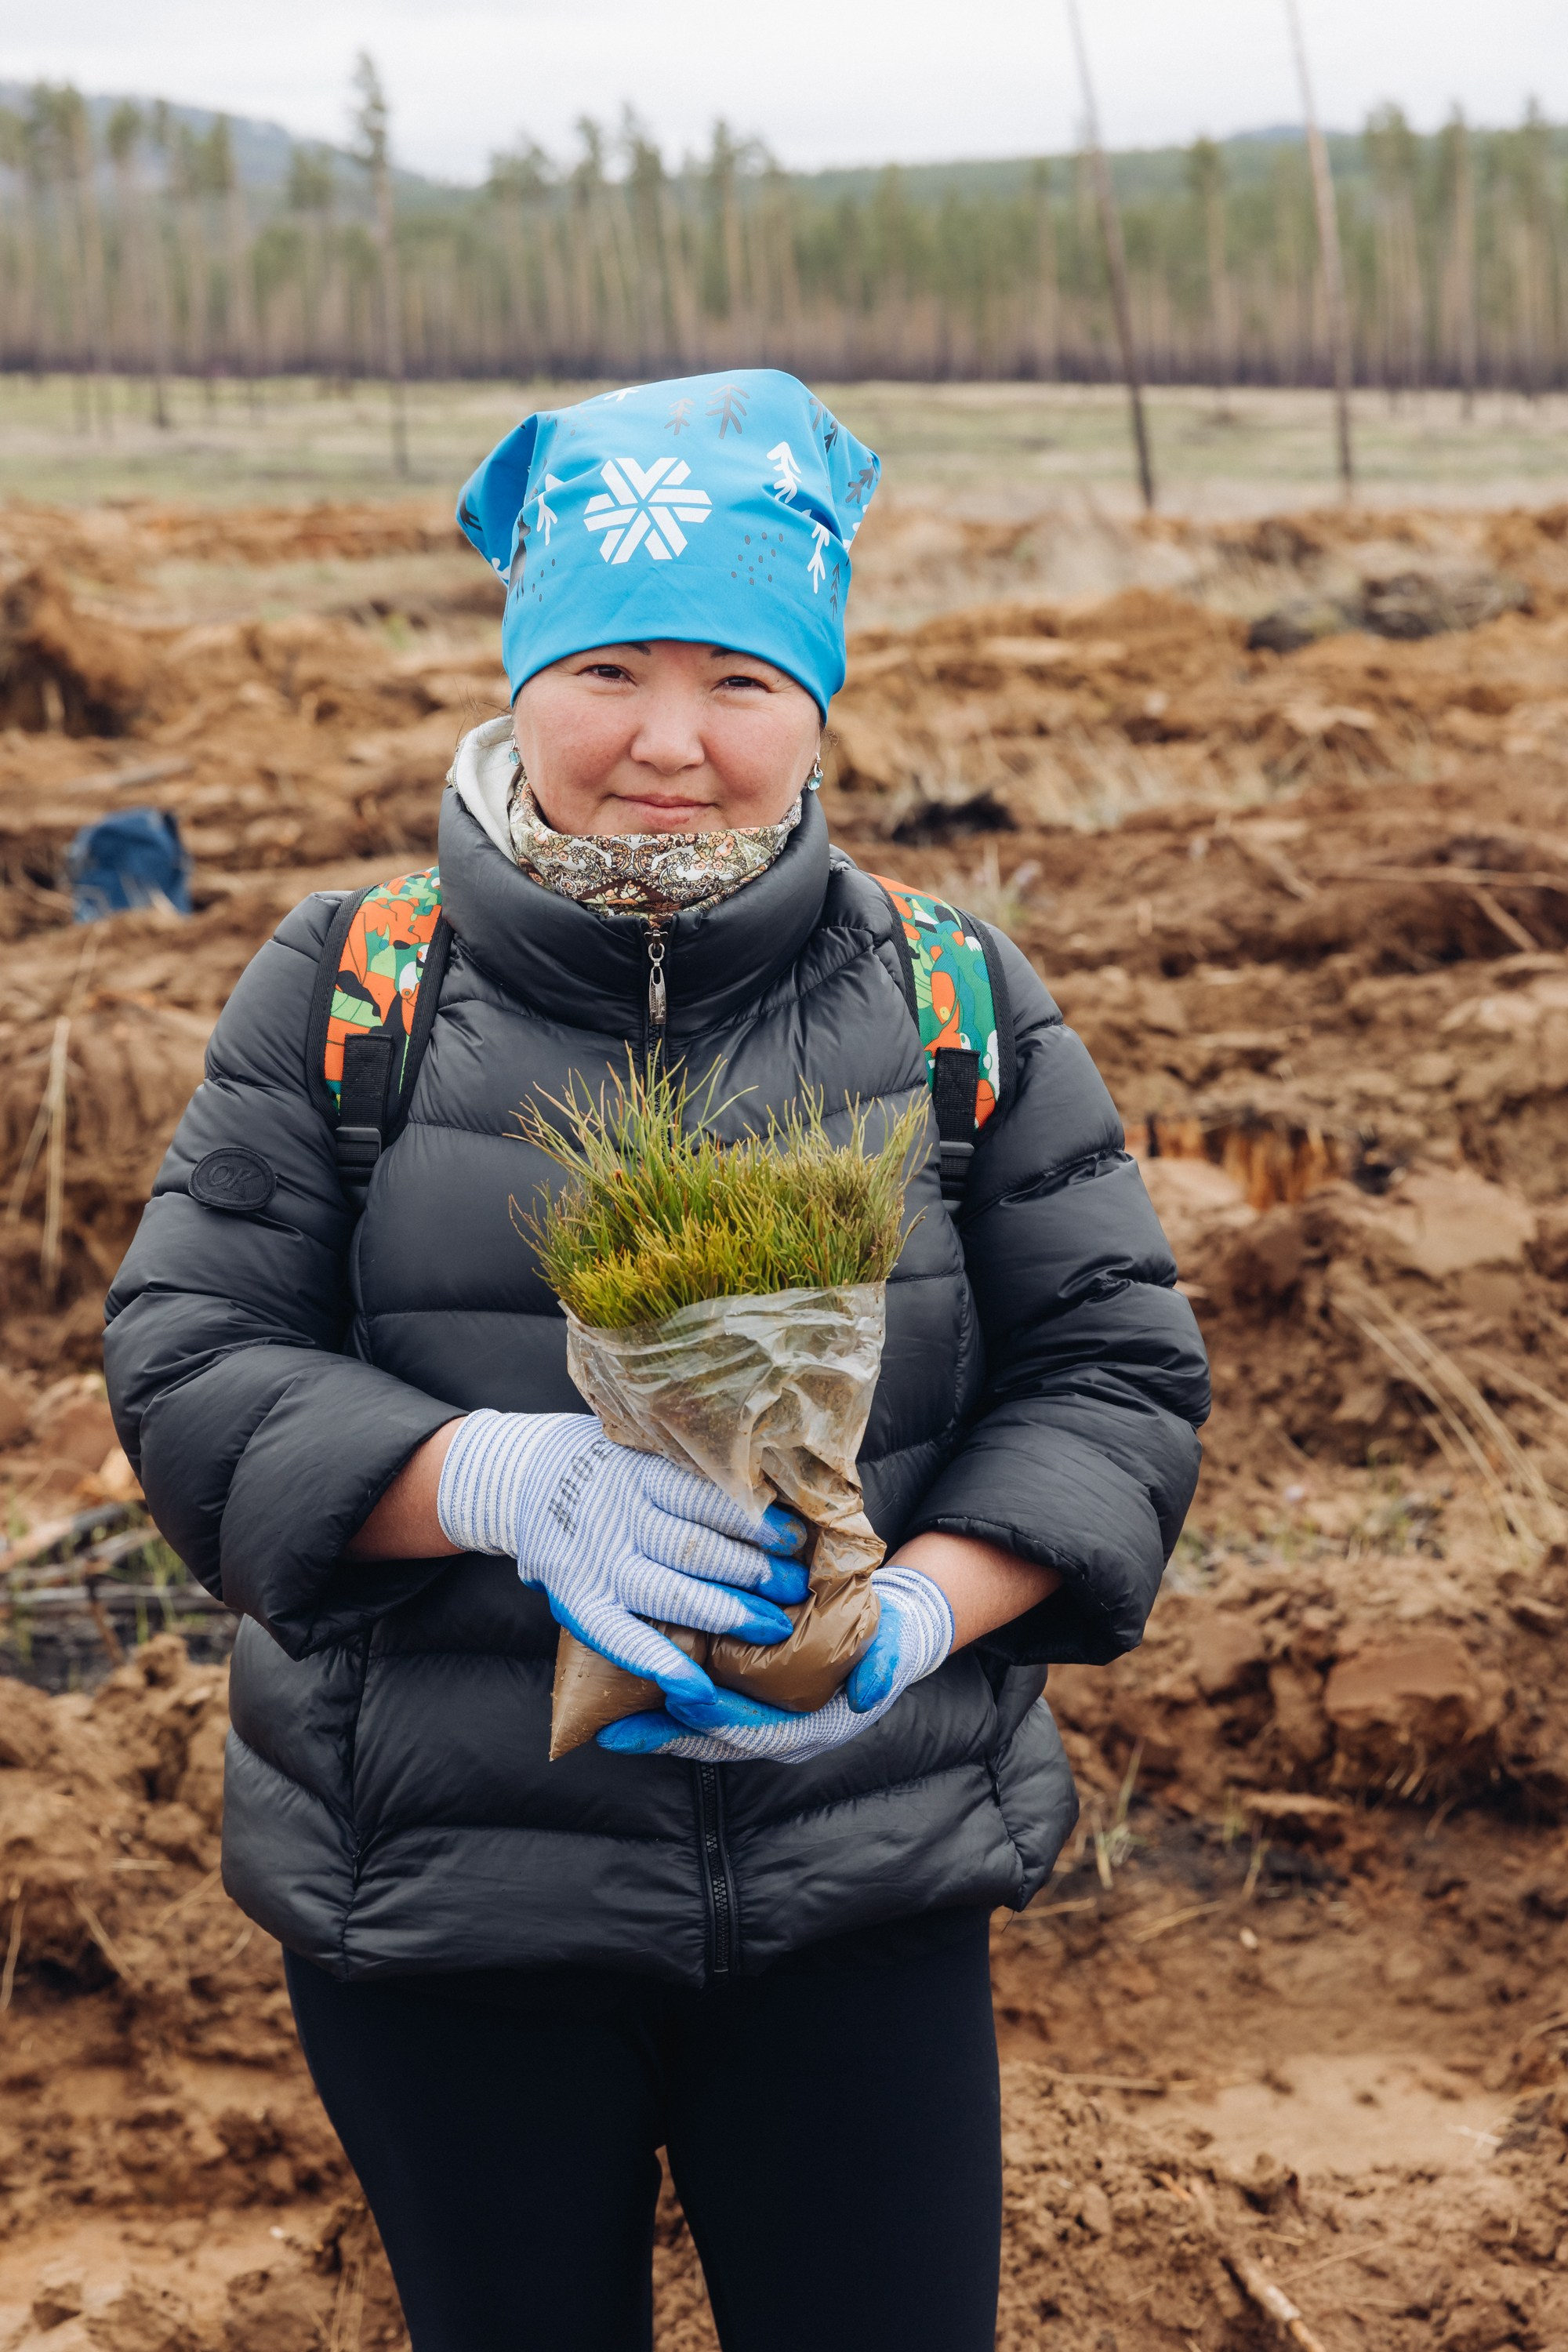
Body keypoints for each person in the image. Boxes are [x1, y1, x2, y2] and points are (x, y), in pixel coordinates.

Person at [105, 370, 1209, 2352]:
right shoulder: (352, 986)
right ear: (522, 673)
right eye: (609, 668)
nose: (671, 743)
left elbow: (1113, 1371)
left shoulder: (949, 994)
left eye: (742, 680)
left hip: (861, 1886)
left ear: (820, 704)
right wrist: (495, 1482)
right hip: (445, 1898)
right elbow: (190, 1356)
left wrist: (917, 1623)